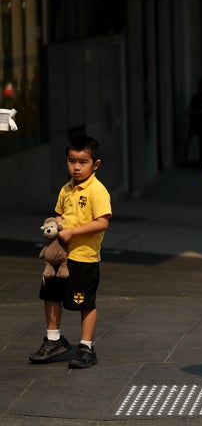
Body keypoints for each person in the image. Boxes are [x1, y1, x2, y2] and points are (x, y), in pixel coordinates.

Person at [29, 136, 112, 369]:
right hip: (60, 256)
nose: (76, 167)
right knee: (51, 295)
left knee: (84, 302)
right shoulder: (66, 188)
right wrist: (55, 225)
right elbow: (59, 213)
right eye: (71, 161)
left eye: (82, 162)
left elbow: (102, 222)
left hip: (83, 257)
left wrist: (73, 232)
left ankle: (86, 347)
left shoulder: (97, 190)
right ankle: (53, 339)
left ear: (95, 164)